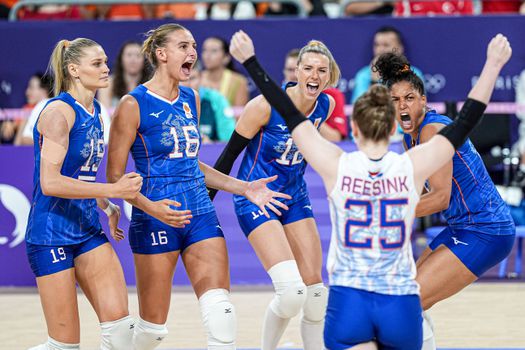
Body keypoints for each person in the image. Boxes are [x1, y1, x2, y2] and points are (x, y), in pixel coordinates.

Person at [228, 30, 512, 350]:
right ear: (389, 124)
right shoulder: (409, 167)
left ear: (352, 129)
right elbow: (468, 117)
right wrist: (493, 64)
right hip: (396, 296)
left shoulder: (336, 165)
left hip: (351, 299)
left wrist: (251, 62)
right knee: (410, 311)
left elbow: (290, 113)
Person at [106, 23, 290, 350]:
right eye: (183, 46)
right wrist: (151, 208)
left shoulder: (193, 96)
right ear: (161, 54)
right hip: (155, 218)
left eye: (194, 45)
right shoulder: (133, 105)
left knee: (222, 314)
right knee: (152, 331)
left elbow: (192, 164)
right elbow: (115, 179)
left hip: (200, 212)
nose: (193, 52)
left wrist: (244, 187)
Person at [374, 40, 516, 349]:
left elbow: (438, 198)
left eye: (409, 98)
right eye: (395, 99)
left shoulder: (430, 131)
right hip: (462, 227)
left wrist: (385, 213)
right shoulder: (408, 137)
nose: (402, 106)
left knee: (408, 302)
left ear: (423, 100)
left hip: (486, 230)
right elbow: (414, 197)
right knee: (404, 295)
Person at [211, 39, 339, 350]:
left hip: (294, 196)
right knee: (292, 292)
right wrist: (204, 204)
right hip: (256, 196)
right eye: (307, 68)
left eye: (322, 70)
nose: (315, 75)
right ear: (295, 72)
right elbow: (227, 157)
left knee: (316, 295)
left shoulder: (326, 105)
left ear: (330, 76)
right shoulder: (262, 106)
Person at [26, 38, 144, 350]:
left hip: (87, 228)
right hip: (50, 233)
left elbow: (81, 173)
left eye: (106, 61)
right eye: (97, 64)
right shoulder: (58, 113)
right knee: (64, 346)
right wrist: (113, 190)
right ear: (74, 70)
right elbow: (51, 183)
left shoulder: (96, 110)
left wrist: (105, 204)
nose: (106, 68)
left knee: (121, 332)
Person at [282, 48, 348, 141]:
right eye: (290, 70)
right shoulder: (273, 99)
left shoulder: (329, 100)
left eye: (321, 70)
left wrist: (311, 114)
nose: (293, 75)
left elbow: (336, 139)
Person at [351, 26, 423, 104]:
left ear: (400, 48)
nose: (380, 50)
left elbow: (417, 105)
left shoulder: (414, 72)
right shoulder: (364, 75)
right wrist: (374, 81)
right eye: (377, 45)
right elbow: (359, 109)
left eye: (386, 45)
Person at [181, 60, 236, 143]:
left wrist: (209, 144)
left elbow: (229, 140)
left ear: (201, 77)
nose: (188, 84)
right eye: (183, 79)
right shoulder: (167, 101)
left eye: (192, 78)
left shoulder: (217, 100)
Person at [98, 41, 150, 110]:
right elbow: (104, 112)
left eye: (138, 55)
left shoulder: (152, 85)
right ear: (121, 59)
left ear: (144, 60)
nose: (133, 60)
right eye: (129, 55)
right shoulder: (107, 83)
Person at [200, 36, 249, 107]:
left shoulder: (238, 81)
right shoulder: (194, 78)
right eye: (205, 50)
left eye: (214, 51)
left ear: (226, 57)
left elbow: (241, 114)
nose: (207, 55)